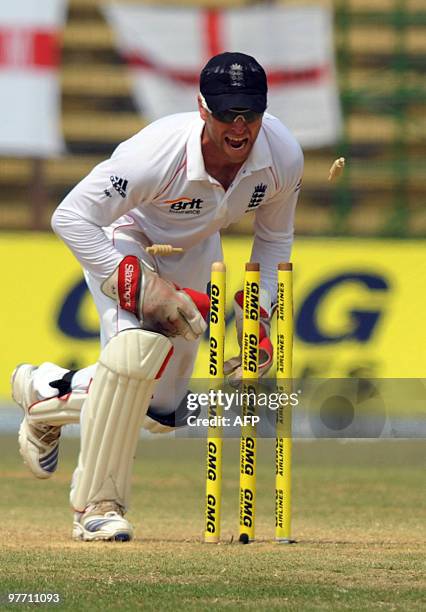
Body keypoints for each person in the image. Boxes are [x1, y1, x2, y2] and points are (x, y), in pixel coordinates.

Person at [11, 52, 303, 542]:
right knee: (132, 358)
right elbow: (71, 218)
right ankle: (96, 508)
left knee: (161, 410)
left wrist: (259, 320)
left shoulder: (282, 157)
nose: (239, 126)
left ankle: (45, 391)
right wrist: (137, 285)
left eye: (250, 113)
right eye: (227, 112)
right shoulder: (155, 154)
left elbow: (274, 241)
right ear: (202, 108)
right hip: (125, 237)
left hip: (195, 246)